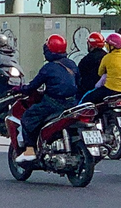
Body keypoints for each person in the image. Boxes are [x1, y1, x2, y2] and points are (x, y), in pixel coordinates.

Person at [15, 34, 79, 163]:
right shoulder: (72, 64)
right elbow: (78, 82)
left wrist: (20, 89)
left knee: (28, 118)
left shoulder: (48, 68)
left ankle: (29, 150)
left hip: (53, 103)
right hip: (72, 103)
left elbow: (32, 87)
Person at [81, 32, 121, 104]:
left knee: (86, 99)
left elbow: (100, 73)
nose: (106, 46)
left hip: (110, 89)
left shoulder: (107, 57)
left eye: (107, 44)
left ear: (112, 46)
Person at [76, 32, 107, 99]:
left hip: (88, 92)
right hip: (105, 90)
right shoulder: (107, 57)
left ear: (90, 45)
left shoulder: (87, 59)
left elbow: (79, 74)